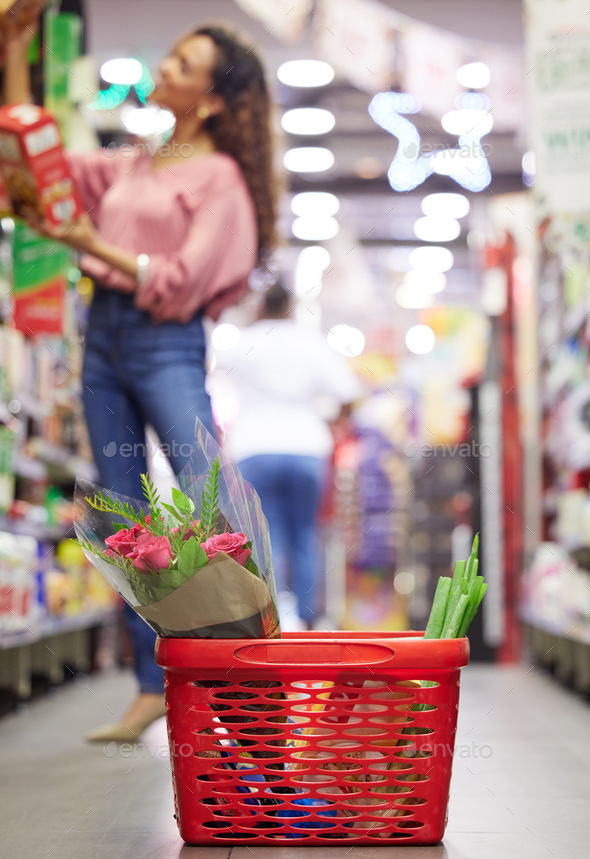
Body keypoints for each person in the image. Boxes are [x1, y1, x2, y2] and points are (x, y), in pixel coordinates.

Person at [4, 19, 277, 740]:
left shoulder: (217, 177)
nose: (167, 64)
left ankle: (250, 660)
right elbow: (42, 160)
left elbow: (186, 276)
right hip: (104, 337)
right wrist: (12, 55)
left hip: (165, 338)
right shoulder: (138, 161)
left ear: (212, 100)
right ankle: (150, 682)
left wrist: (90, 243)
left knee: (207, 485)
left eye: (185, 62)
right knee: (120, 510)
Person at [216, 282, 362, 629]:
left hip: (255, 448)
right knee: (305, 534)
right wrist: (329, 419)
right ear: (292, 308)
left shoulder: (244, 342)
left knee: (266, 534)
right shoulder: (312, 344)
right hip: (307, 449)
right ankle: (309, 618)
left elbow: (213, 369)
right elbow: (350, 394)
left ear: (261, 305)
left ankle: (276, 615)